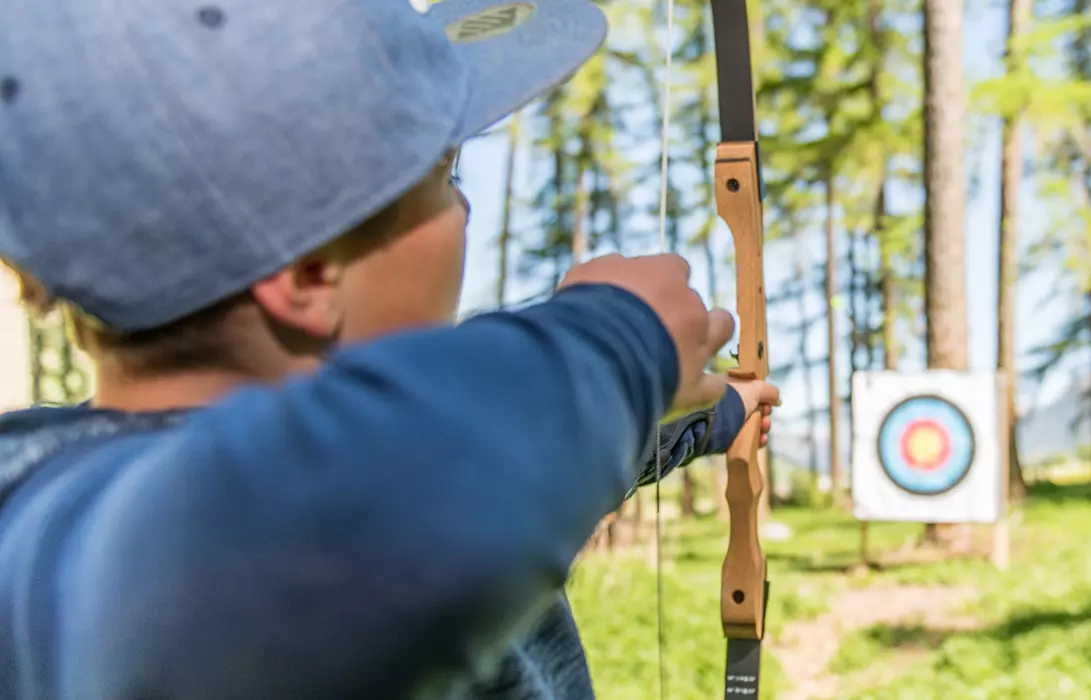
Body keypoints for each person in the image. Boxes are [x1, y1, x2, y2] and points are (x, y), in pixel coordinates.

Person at [0, 0, 776, 697]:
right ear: (307, 276)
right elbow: (393, 487)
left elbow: (506, 456)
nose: (466, 208)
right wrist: (621, 333)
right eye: (444, 172)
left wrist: (719, 413)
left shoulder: (446, 472)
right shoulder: (54, 532)